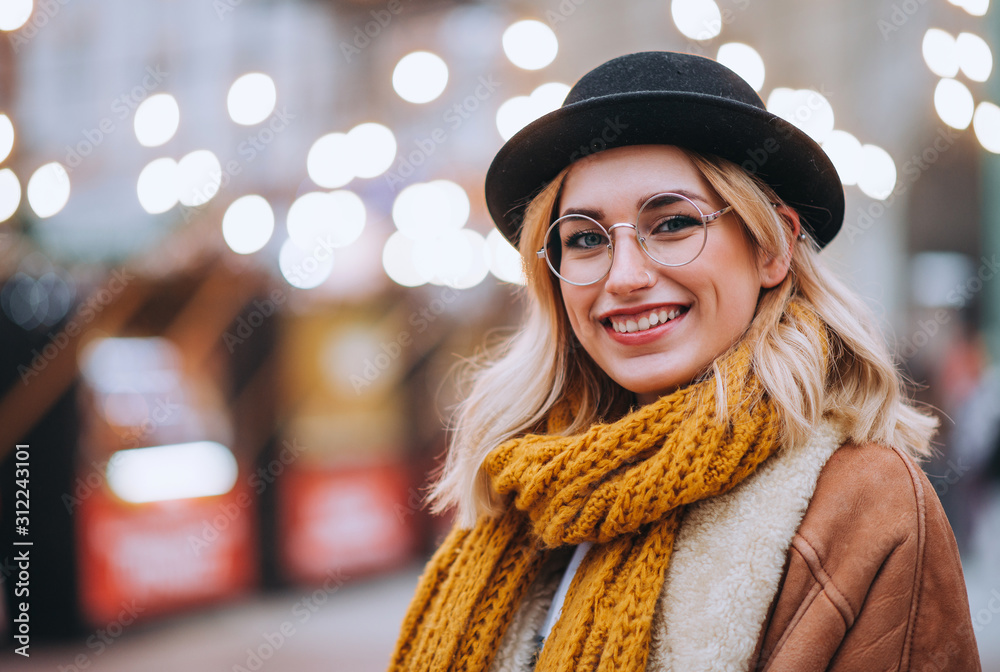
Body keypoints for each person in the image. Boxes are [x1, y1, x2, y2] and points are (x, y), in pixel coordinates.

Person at [388, 51, 981, 671]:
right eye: (586, 237)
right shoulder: (527, 489)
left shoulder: (863, 500)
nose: (625, 276)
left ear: (771, 246)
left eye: (671, 223)